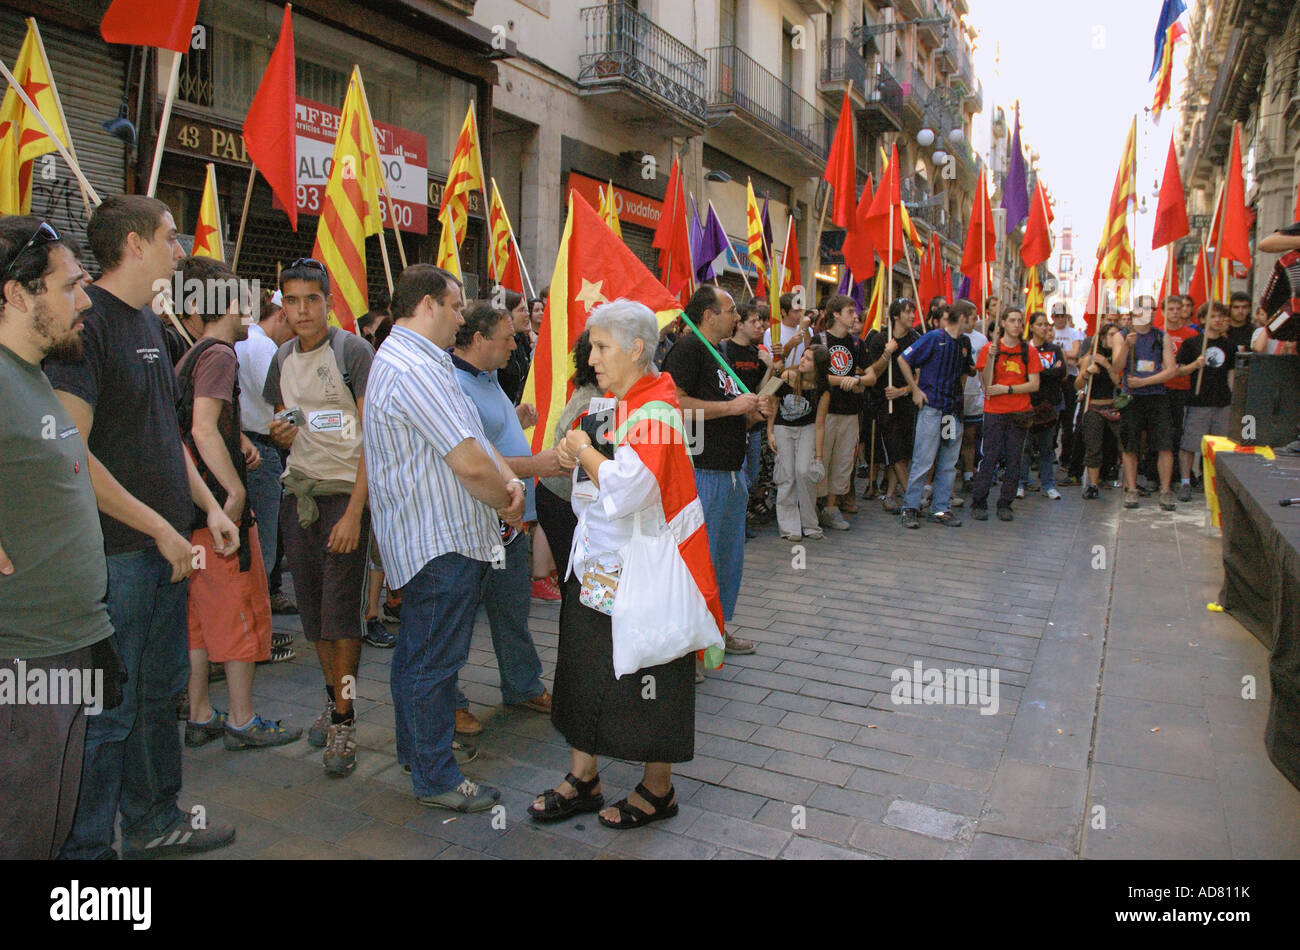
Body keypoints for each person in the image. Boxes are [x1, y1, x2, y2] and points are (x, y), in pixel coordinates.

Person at [44, 195, 239, 859]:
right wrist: (158, 527)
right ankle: (88, 853)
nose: (179, 251)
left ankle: (156, 821)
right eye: (169, 237)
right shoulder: (85, 325)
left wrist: (207, 508)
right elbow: (73, 450)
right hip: (119, 556)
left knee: (159, 699)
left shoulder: (152, 324)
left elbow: (166, 433)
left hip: (167, 551)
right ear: (132, 244)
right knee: (110, 710)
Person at [529, 298, 725, 830]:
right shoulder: (612, 403)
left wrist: (583, 451)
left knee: (652, 675)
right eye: (592, 345)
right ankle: (583, 776)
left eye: (601, 346)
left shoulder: (657, 411)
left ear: (637, 349)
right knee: (584, 664)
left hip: (646, 573)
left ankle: (657, 789)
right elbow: (589, 487)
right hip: (600, 566)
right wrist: (578, 457)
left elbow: (629, 489)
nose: (590, 357)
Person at [364, 264, 522, 811]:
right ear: (428, 304)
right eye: (456, 306)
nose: (462, 317)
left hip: (433, 539)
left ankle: (419, 753)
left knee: (418, 657)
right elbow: (469, 463)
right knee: (433, 664)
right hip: (439, 542)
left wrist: (507, 480)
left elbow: (473, 436)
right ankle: (435, 775)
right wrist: (506, 495)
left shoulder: (419, 362)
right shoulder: (414, 368)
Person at [0, 217, 118, 859]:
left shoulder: (33, 372)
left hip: (68, 647)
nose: (86, 299)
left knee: (45, 830)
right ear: (19, 296)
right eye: (70, 286)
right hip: (23, 662)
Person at [172, 256, 298, 750]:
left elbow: (189, 430)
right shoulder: (220, 354)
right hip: (219, 517)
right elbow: (202, 427)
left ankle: (201, 710)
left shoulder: (193, 353)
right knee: (241, 612)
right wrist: (235, 491)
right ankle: (243, 719)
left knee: (200, 621)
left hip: (193, 515)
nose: (254, 305)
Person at [263, 257, 373, 776]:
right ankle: (331, 699)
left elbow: (374, 436)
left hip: (343, 500)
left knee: (342, 616)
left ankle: (346, 719)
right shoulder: (281, 356)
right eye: (292, 300)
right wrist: (280, 435)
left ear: (329, 301)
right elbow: (285, 419)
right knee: (314, 618)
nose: (302, 310)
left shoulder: (352, 350)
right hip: (298, 499)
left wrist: (354, 511)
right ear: (281, 305)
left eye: (311, 299)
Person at [450, 301, 556, 733]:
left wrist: (515, 418)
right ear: (478, 340)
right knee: (457, 615)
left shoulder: (487, 378)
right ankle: (449, 700)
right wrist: (539, 465)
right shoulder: (452, 385)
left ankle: (522, 683)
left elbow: (487, 437)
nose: (516, 343)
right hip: (473, 519)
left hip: (508, 523)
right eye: (508, 336)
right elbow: (474, 458)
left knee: (511, 606)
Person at [663, 286, 762, 656]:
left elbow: (724, 403)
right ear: (708, 315)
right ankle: (688, 645)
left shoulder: (718, 352)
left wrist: (749, 412)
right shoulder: (688, 349)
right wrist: (732, 409)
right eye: (730, 309)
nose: (736, 317)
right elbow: (675, 404)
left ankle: (715, 630)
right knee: (696, 562)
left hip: (731, 472)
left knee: (725, 560)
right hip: (703, 472)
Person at [236, 287, 298, 646]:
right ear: (280, 314)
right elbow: (284, 402)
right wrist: (315, 417)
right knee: (263, 549)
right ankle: (257, 631)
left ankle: (251, 627)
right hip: (260, 449)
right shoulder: (263, 348)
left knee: (256, 545)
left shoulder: (246, 343)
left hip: (251, 446)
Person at [535, 331, 601, 587]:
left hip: (561, 498)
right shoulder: (595, 402)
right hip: (563, 500)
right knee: (576, 585)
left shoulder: (593, 392)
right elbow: (586, 472)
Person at [896, 303, 971, 528]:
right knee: (923, 460)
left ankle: (940, 508)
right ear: (964, 318)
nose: (975, 321)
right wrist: (915, 389)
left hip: (951, 412)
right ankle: (910, 507)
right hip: (932, 409)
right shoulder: (933, 338)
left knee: (948, 461)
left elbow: (966, 372)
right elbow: (903, 359)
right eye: (974, 317)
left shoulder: (964, 344)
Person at [970, 307, 1040, 522]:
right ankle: (979, 501)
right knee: (989, 457)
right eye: (1012, 320)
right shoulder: (990, 349)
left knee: (1014, 458)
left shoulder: (1029, 351)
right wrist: (991, 358)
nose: (1017, 325)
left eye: (1020, 321)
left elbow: (1034, 384)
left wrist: (1008, 389)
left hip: (1018, 411)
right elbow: (987, 382)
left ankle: (1005, 503)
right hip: (995, 412)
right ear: (1003, 323)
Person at [1112, 301, 1178, 510]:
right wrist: (1126, 346)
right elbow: (1117, 366)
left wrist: (1146, 381)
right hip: (1132, 397)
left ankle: (1165, 491)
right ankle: (1131, 489)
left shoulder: (1161, 336)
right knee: (1130, 444)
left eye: (1152, 309)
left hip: (1156, 395)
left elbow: (1171, 370)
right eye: (1144, 308)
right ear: (1135, 311)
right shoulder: (1121, 336)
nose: (1149, 313)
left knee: (1164, 444)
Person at [816, 295, 873, 526]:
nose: (855, 316)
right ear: (836, 314)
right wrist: (843, 380)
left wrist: (858, 379)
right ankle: (814, 506)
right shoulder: (820, 340)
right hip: (825, 411)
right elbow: (816, 375)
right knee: (822, 459)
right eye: (850, 311)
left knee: (842, 463)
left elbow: (872, 376)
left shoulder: (858, 343)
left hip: (850, 412)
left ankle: (831, 507)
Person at [863, 299, 921, 512]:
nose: (912, 316)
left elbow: (919, 375)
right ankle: (911, 497)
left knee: (904, 452)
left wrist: (903, 391)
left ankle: (890, 495)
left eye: (913, 311)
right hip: (884, 403)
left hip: (907, 403)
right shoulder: (880, 339)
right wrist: (887, 353)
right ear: (896, 316)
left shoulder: (917, 340)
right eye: (907, 312)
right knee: (894, 451)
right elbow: (872, 373)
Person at [768, 345, 831, 541]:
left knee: (804, 471)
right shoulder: (787, 375)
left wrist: (819, 457)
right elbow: (771, 400)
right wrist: (770, 431)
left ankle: (810, 524)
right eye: (803, 356)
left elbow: (820, 424)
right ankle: (789, 527)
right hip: (782, 426)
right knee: (787, 474)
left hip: (807, 428)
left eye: (809, 359)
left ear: (818, 366)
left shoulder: (823, 389)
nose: (803, 360)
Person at [1175, 302, 1235, 500]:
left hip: (1222, 402)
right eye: (1213, 316)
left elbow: (1231, 374)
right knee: (1190, 444)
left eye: (1220, 316)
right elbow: (1179, 370)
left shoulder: (1229, 345)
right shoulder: (1192, 343)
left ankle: (1219, 483)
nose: (1217, 320)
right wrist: (1195, 364)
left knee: (1221, 446)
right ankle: (1185, 482)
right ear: (1202, 319)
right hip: (1198, 401)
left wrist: (1231, 398)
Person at [1019, 311, 1067, 500]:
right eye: (1040, 324)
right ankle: (1021, 482)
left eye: (1046, 324)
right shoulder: (1024, 349)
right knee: (1025, 446)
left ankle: (1048, 484)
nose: (1045, 327)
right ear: (1031, 327)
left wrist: (1038, 372)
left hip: (1049, 404)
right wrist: (1046, 371)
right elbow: (1024, 375)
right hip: (1028, 403)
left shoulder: (1054, 349)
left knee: (1047, 447)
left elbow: (1061, 372)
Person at [1076, 322, 1125, 499]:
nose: (1115, 338)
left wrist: (1107, 365)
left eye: (1117, 335)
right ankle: (1093, 484)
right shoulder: (1091, 358)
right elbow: (1078, 384)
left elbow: (1118, 382)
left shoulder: (1120, 357)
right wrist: (1087, 373)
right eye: (1111, 335)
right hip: (1095, 406)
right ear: (1103, 338)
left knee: (1124, 444)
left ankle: (1124, 480)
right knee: (1093, 447)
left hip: (1114, 406)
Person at [1159, 294, 1198, 489]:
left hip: (1184, 389)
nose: (1175, 313)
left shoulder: (1191, 335)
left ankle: (1178, 474)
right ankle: (1156, 474)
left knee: (1180, 432)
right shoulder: (1158, 333)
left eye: (1178, 309)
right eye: (1171, 309)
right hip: (1162, 389)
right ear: (1164, 312)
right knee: (1162, 432)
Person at [1050, 303, 1084, 485]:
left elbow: (1076, 353)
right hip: (1053, 379)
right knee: (1051, 419)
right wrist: (1066, 356)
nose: (1060, 319)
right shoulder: (1050, 331)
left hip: (1070, 378)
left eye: (1062, 315)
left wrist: (1060, 353)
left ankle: (1066, 456)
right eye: (1057, 316)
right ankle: (1049, 453)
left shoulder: (1074, 333)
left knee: (1067, 420)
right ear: (1052, 317)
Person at [495, 290, 533, 404]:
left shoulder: (521, 339)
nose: (527, 314)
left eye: (526, 310)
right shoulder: (495, 346)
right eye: (522, 310)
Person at [762, 292, 811, 369]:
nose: (800, 315)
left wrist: (806, 330)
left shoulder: (807, 328)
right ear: (783, 312)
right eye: (796, 311)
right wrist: (790, 345)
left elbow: (812, 354)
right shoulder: (772, 332)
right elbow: (772, 363)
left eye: (802, 310)